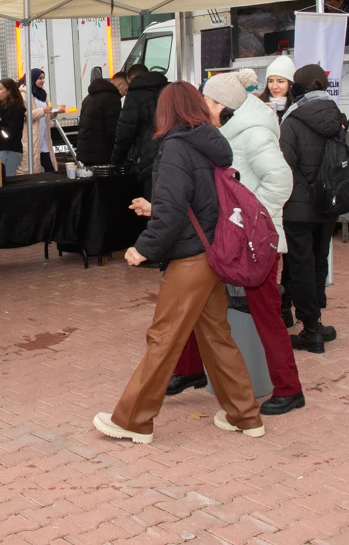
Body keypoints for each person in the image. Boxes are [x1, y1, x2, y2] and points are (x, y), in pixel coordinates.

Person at [95, 81, 263, 444]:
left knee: (164, 337)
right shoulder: (208, 142)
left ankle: (133, 420)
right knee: (216, 337)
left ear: (166, 111)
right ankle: (245, 415)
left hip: (191, 259)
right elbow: (197, 200)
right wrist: (155, 208)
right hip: (211, 253)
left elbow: (173, 210)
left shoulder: (175, 146)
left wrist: (144, 247)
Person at [166, 69, 304, 415]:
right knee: (198, 302)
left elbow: (281, 181)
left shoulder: (254, 134)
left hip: (256, 243)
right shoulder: (223, 132)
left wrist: (251, 221)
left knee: (266, 314)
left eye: (207, 102)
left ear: (223, 105)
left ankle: (289, 388)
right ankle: (189, 369)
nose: (202, 108)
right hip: (228, 239)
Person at [279, 65, 344, 353]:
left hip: (298, 206)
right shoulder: (336, 115)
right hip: (328, 203)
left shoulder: (292, 120)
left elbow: (284, 164)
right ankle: (316, 320)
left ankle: (311, 329)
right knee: (318, 262)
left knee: (300, 265)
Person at [111, 64, 168, 196]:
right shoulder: (167, 89)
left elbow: (125, 132)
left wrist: (116, 161)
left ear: (131, 78)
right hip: (169, 153)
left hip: (147, 159)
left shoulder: (135, 95)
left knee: (149, 200)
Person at [18, 68, 58, 174]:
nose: (42, 81)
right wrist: (42, 111)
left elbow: (45, 115)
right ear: (33, 78)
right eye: (40, 78)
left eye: (43, 78)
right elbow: (25, 115)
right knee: (33, 168)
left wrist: (54, 113)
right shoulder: (24, 94)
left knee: (50, 168)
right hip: (31, 138)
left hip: (43, 137)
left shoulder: (43, 94)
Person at [77, 73, 122, 166]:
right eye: (126, 90)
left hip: (86, 152)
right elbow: (113, 130)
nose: (125, 94)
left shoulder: (89, 97)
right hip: (101, 154)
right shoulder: (112, 98)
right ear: (119, 85)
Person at [259, 55, 296, 120]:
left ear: (290, 84)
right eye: (270, 81)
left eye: (280, 81)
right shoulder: (259, 104)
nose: (274, 86)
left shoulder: (299, 106)